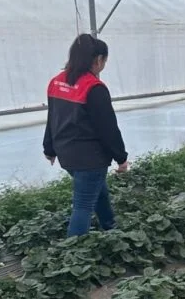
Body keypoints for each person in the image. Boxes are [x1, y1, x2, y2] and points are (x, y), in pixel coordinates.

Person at [43, 34, 128, 237]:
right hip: (90, 158)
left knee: (97, 190)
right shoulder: (94, 88)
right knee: (82, 206)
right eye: (104, 60)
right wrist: (121, 158)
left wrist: (49, 148)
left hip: (67, 154)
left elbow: (52, 118)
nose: (104, 65)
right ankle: (74, 256)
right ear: (97, 59)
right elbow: (108, 129)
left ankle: (110, 227)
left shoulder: (56, 82)